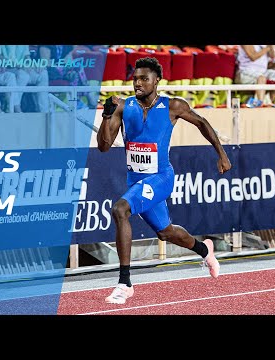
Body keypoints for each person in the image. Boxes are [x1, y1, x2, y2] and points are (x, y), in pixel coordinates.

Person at [97, 57, 232, 305]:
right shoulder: (123, 107)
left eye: (143, 79)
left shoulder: (173, 106)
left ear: (156, 80)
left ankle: (124, 284)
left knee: (120, 209)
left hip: (160, 178)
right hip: (136, 181)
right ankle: (205, 251)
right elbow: (104, 147)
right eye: (135, 78)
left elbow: (202, 123)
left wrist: (221, 154)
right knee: (166, 232)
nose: (137, 83)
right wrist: (106, 117)